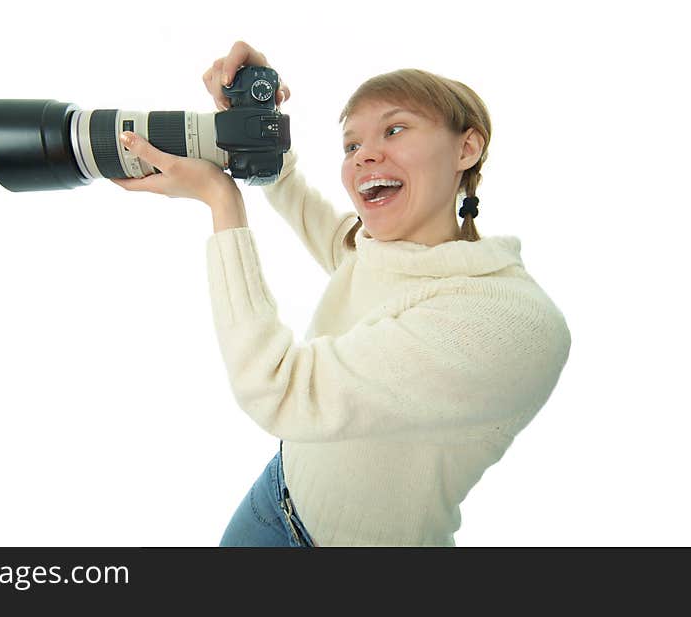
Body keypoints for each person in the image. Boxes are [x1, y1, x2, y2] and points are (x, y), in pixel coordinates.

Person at [110, 41, 572, 547]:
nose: (365, 155)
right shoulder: (383, 250)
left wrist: (221, 201)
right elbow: (317, 217)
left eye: (394, 130)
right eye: (351, 146)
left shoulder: (505, 321)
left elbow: (278, 388)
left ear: (466, 148)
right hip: (276, 496)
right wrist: (256, 121)